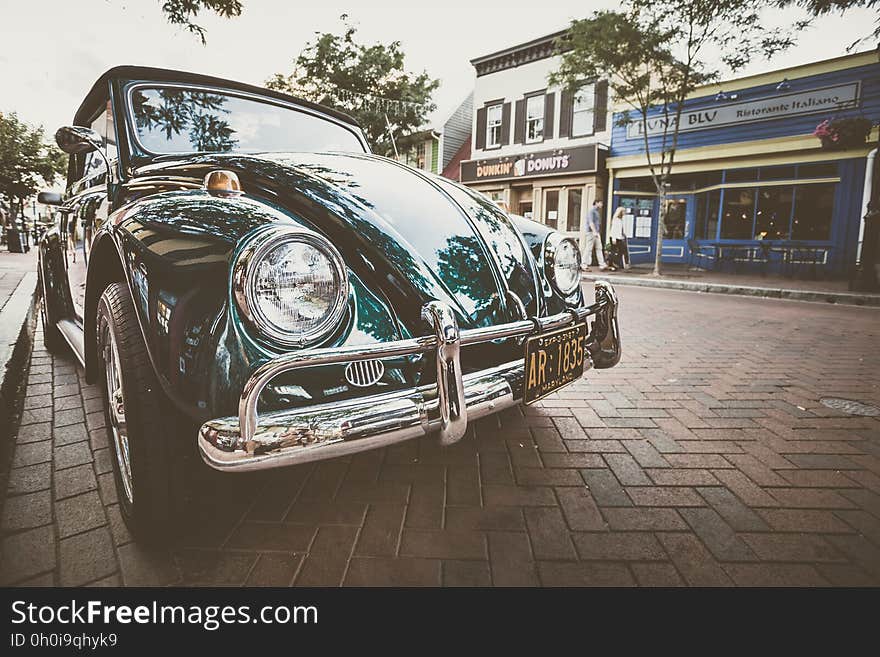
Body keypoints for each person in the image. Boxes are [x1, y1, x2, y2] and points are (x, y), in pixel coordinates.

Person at [583, 199, 609, 271]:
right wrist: (594, 231)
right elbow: (591, 222)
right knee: (589, 248)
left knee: (599, 248)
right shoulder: (591, 211)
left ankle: (602, 264)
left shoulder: (596, 212)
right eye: (601, 203)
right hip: (591, 232)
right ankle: (583, 264)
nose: (602, 205)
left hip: (596, 232)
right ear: (596, 203)